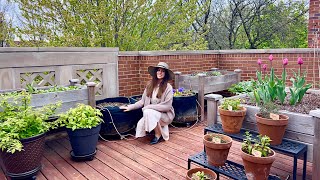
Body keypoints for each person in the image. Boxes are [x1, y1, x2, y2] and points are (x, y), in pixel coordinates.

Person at [120, 62, 175, 144]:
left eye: (162, 71)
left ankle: (158, 134)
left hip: (165, 115)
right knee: (146, 115)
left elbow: (167, 106)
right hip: (152, 113)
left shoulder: (168, 88)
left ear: (165, 74)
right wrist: (130, 107)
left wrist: (149, 107)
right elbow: (142, 101)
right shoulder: (150, 85)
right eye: (158, 70)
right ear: (155, 72)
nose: (160, 72)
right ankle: (155, 129)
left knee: (147, 111)